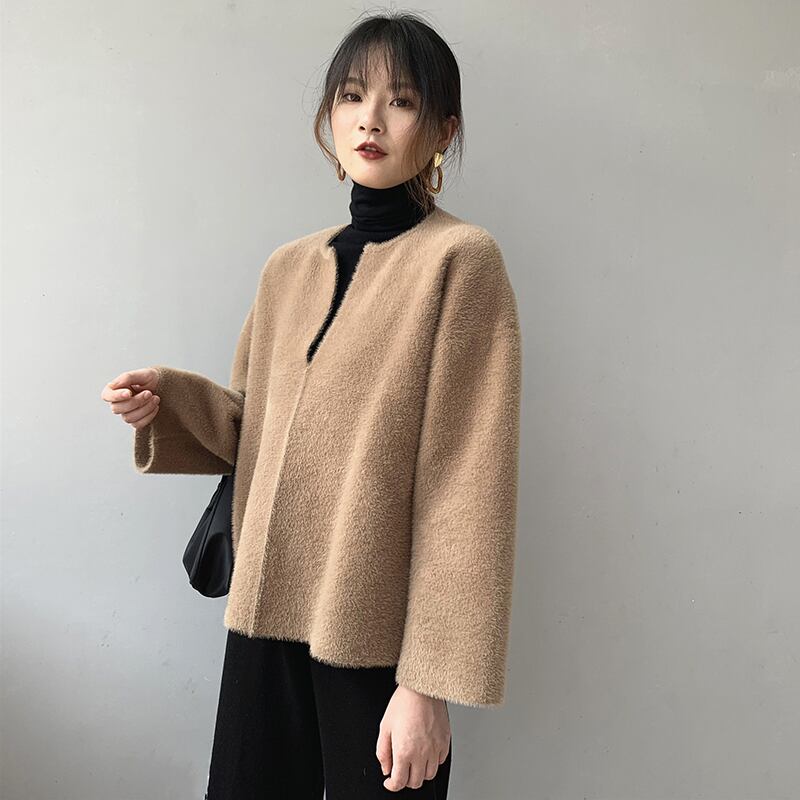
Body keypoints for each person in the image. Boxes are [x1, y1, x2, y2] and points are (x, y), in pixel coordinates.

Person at [101, 11, 521, 799]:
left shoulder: (461, 263)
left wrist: (427, 683)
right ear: (330, 114)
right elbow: (254, 429)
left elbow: (470, 487)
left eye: (401, 100)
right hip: (264, 613)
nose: (370, 118)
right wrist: (170, 401)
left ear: (443, 130)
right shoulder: (288, 268)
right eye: (352, 95)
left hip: (376, 633)